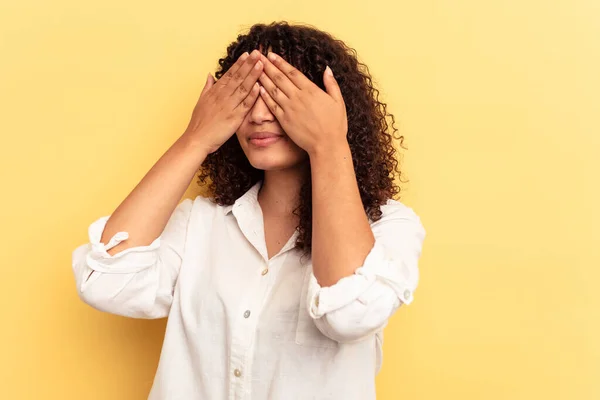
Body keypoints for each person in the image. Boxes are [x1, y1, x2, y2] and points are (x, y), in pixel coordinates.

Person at [71, 21, 426, 400]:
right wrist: (196, 138)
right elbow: (105, 283)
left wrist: (328, 143)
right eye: (245, 99)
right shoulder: (201, 223)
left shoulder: (389, 227)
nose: (257, 117)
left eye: (278, 97)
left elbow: (350, 316)